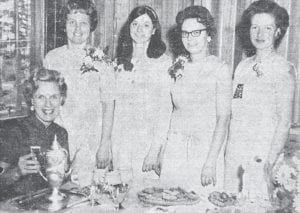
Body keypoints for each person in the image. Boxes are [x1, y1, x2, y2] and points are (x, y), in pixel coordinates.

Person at [224, 0, 296, 201]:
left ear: (278, 32)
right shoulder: (242, 67)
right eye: (255, 27)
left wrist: (269, 163)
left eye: (267, 28)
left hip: (262, 155)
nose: (260, 34)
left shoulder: (284, 69)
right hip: (235, 153)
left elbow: (284, 122)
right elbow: (235, 109)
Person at [96, 5, 172, 190]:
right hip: (121, 140)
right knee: (119, 194)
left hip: (146, 143)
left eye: (146, 25)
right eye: (135, 23)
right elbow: (113, 106)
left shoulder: (163, 63)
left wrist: (155, 150)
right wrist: (109, 145)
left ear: (154, 30)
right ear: (129, 26)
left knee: (145, 195)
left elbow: (165, 110)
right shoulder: (118, 62)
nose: (139, 29)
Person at [158, 5, 232, 195]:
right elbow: (173, 112)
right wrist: (162, 151)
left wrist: (210, 161)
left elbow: (223, 119)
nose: (190, 38)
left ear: (208, 34)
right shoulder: (178, 66)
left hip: (204, 151)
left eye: (196, 32)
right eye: (185, 33)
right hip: (175, 149)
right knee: (170, 201)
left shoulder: (220, 68)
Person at [43, 0, 114, 186]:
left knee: (87, 193)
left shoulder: (101, 61)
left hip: (91, 139)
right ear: (64, 25)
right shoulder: (52, 58)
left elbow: (108, 104)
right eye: (71, 22)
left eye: (83, 23)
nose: (77, 28)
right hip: (60, 137)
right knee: (60, 191)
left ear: (91, 27)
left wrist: (105, 145)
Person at [0, 68, 68, 201]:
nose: (48, 104)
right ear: (32, 100)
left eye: (53, 97)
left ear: (61, 99)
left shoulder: (61, 133)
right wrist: (17, 172)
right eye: (41, 97)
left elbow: (62, 179)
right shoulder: (14, 130)